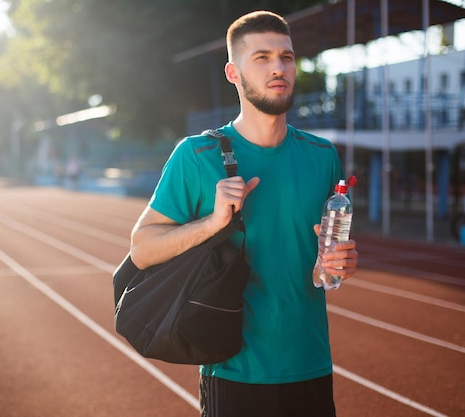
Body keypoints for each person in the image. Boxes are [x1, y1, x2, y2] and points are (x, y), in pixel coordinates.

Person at [130, 10, 358, 417]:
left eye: (286, 57)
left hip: (310, 366)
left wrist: (337, 262)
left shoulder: (323, 157)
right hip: (233, 371)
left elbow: (325, 257)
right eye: (262, 57)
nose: (278, 68)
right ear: (233, 73)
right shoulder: (196, 155)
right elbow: (142, 250)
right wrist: (212, 222)